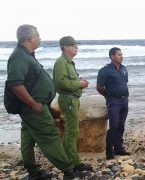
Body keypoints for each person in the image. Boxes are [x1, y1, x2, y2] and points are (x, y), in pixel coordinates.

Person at [5, 24, 83, 180]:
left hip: (34, 106)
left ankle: (33, 172)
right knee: (50, 135)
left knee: (28, 138)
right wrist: (34, 105)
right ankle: (69, 171)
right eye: (38, 36)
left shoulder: (26, 55)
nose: (40, 39)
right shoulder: (18, 57)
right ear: (29, 38)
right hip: (33, 107)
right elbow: (16, 85)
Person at [53, 36, 92, 172]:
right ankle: (72, 163)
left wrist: (80, 83)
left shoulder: (69, 62)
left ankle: (69, 160)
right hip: (68, 99)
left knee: (72, 130)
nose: (77, 48)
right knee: (71, 131)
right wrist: (79, 84)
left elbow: (68, 81)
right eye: (74, 46)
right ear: (65, 47)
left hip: (72, 99)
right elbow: (61, 82)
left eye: (76, 46)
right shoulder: (61, 62)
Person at [97, 47, 131, 160]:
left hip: (124, 101)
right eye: (119, 54)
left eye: (122, 54)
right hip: (114, 102)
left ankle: (119, 148)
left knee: (121, 126)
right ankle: (109, 152)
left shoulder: (124, 69)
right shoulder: (105, 70)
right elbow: (100, 88)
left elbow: (124, 83)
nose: (121, 56)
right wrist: (109, 96)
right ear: (112, 56)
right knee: (114, 126)